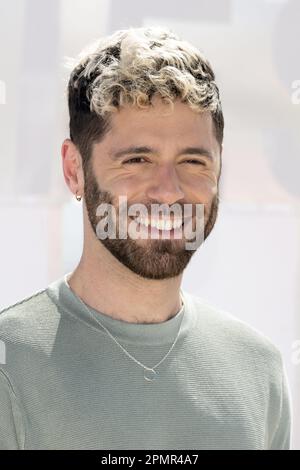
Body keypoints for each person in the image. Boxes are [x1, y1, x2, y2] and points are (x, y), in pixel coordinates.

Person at [0, 26, 292, 450]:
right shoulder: (11, 365)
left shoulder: (258, 371)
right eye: (137, 160)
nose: (169, 191)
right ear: (74, 170)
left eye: (193, 161)